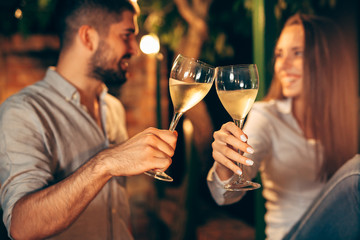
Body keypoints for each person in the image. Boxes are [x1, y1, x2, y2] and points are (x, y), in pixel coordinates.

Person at [0, 0, 178, 239]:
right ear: (88, 37)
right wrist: (105, 163)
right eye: (126, 35)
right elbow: (21, 227)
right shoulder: (24, 111)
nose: (134, 49)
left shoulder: (113, 108)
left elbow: (114, 208)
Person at [207, 13, 359, 240]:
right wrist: (225, 164)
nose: (283, 66)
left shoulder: (350, 115)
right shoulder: (268, 116)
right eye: (279, 55)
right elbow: (223, 196)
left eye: (297, 53)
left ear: (326, 58)